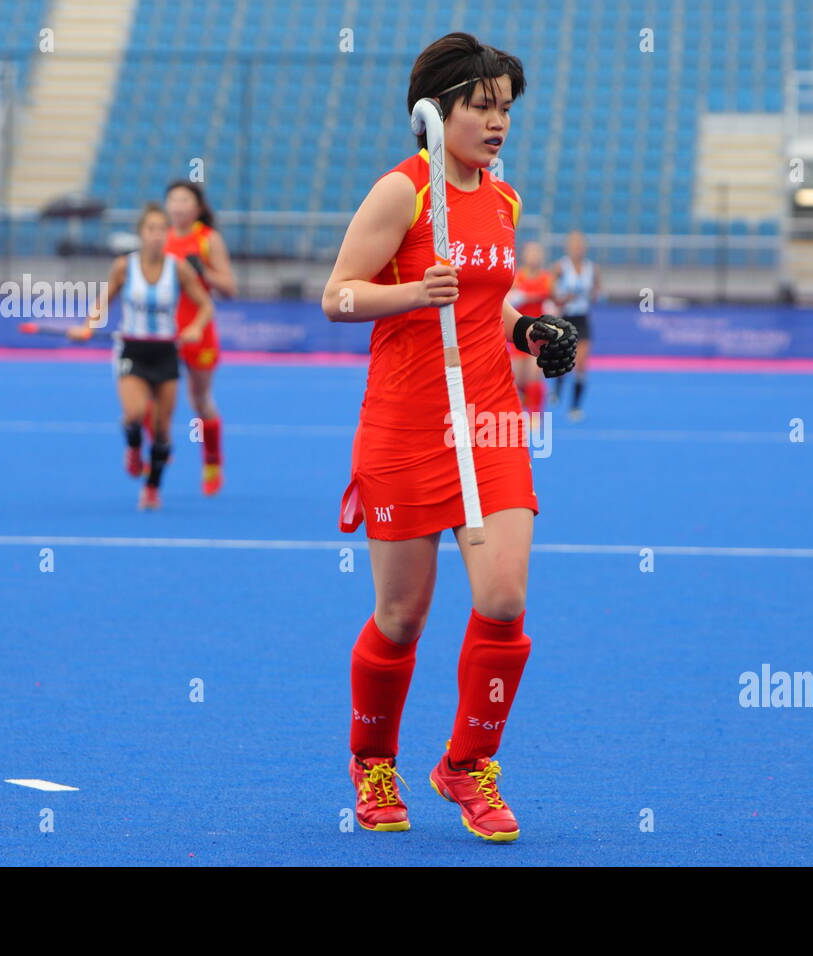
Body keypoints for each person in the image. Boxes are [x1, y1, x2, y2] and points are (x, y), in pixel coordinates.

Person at [320, 32, 576, 841]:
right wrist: (407, 295)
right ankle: (373, 764)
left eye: (506, 108)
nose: (498, 122)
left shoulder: (502, 200)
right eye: (482, 105)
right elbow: (338, 298)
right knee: (401, 616)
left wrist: (530, 330)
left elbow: (483, 304)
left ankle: (467, 766)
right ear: (436, 110)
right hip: (405, 424)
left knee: (504, 599)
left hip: (492, 419)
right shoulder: (403, 192)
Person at [68, 203, 213, 509]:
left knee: (162, 429)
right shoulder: (124, 267)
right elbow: (102, 301)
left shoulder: (179, 268)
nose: (158, 235)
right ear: (141, 234)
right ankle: (134, 447)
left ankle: (152, 488)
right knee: (134, 414)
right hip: (132, 349)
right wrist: (87, 327)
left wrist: (196, 328)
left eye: (163, 229)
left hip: (165, 352)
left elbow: (205, 305)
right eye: (151, 229)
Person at [163, 180, 237, 496]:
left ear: (197, 207)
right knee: (158, 400)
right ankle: (157, 454)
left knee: (200, 400)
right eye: (173, 200)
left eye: (185, 200)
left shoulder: (208, 240)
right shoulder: (159, 239)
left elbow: (230, 289)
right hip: (164, 332)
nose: (178, 206)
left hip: (199, 331)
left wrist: (203, 273)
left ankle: (212, 462)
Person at [551, 230, 599, 421]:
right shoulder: (560, 267)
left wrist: (592, 295)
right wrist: (563, 299)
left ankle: (575, 406)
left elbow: (597, 292)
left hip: (582, 318)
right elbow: (552, 294)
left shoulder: (592, 268)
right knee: (565, 361)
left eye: (580, 245)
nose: (577, 248)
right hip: (565, 317)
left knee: (581, 363)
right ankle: (557, 389)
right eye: (574, 244)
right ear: (567, 247)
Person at [505, 240, 556, 414]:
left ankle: (535, 413)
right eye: (530, 252)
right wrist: (526, 296)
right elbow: (508, 301)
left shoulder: (547, 278)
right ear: (524, 255)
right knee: (518, 378)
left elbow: (552, 301)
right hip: (518, 333)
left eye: (537, 253)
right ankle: (521, 409)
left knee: (534, 374)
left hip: (539, 334)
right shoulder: (517, 277)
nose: (534, 256)